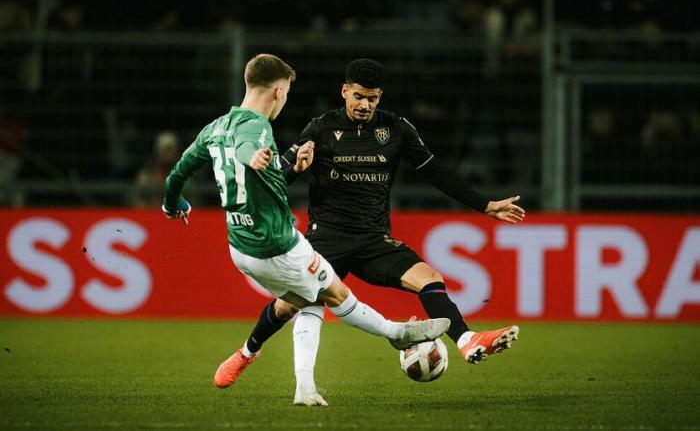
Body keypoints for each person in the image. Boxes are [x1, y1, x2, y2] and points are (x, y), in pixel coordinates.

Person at [226, 58, 526, 398]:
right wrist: (295, 166)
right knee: (289, 306)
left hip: (374, 239)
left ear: (380, 97)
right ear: (344, 92)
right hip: (327, 239)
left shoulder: (396, 129)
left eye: (372, 98)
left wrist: (484, 205)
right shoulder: (321, 128)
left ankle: (467, 340)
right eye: (358, 97)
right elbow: (275, 178)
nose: (364, 105)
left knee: (430, 278)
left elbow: (435, 172)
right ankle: (247, 352)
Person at [161, 54, 449, 406]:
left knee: (302, 300)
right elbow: (247, 145)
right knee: (334, 296)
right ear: (279, 91)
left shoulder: (214, 127)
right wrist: (251, 156)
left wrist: (172, 205)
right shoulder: (257, 128)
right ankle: (398, 333)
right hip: (278, 246)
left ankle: (257, 358)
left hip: (240, 248)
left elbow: (178, 173)